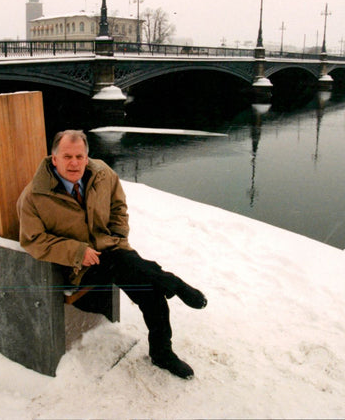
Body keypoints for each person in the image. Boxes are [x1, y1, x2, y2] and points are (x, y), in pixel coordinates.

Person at [17, 129, 207, 379]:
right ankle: (172, 282)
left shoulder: (103, 174)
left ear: (87, 157)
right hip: (75, 268)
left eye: (79, 156)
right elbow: (33, 240)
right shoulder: (34, 196)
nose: (74, 163)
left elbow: (118, 207)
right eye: (67, 157)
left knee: (150, 289)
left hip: (113, 254)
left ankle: (162, 352)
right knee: (135, 269)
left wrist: (118, 239)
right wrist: (76, 252)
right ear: (54, 159)